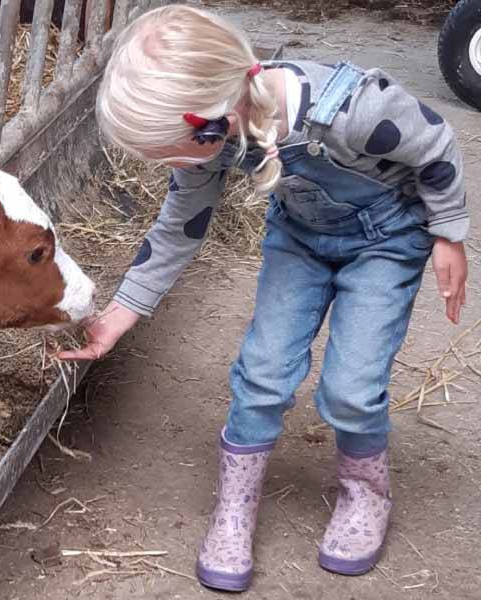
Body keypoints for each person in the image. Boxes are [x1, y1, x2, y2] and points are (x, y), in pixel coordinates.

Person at [59, 4, 469, 593]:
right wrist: (119, 316)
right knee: (262, 370)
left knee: (351, 386)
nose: (168, 168)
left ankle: (365, 495)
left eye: (168, 154)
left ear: (212, 120)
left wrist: (448, 233)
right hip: (300, 239)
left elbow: (435, 146)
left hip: (387, 239)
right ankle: (235, 506)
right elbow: (180, 226)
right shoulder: (218, 134)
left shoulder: (354, 110)